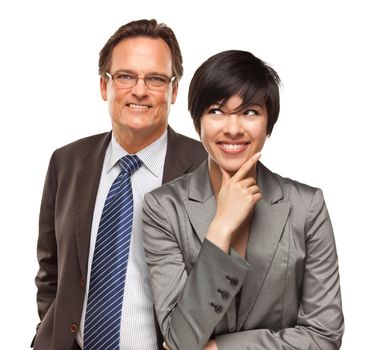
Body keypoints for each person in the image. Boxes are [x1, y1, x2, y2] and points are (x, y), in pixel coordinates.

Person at [142, 50, 344, 350]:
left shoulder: (306, 206)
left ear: (268, 122)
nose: (233, 128)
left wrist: (221, 348)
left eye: (249, 112)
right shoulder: (163, 208)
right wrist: (221, 228)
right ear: (198, 121)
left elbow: (325, 335)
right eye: (216, 111)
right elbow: (179, 341)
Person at [32, 19, 206, 350]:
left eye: (155, 79)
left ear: (173, 91)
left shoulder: (207, 170)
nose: (139, 90)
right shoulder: (66, 162)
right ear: (104, 86)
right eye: (125, 76)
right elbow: (50, 270)